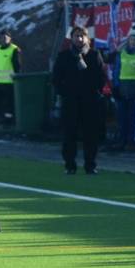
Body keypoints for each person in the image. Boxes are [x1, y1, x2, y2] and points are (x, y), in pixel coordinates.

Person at [52, 26, 107, 174]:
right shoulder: (64, 56)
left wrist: (96, 91)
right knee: (69, 134)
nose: (80, 39)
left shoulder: (94, 55)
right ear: (72, 38)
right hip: (70, 101)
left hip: (90, 101)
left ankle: (91, 165)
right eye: (77, 36)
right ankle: (70, 165)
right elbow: (56, 78)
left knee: (91, 135)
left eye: (82, 36)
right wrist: (64, 92)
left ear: (87, 38)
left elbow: (101, 77)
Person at [110, 29, 135, 151]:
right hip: (122, 87)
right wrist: (115, 87)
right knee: (122, 116)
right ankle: (122, 140)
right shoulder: (121, 54)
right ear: (128, 40)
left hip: (134, 88)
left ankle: (131, 141)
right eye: (131, 39)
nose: (132, 42)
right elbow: (116, 71)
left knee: (133, 117)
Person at [0, 29, 21, 128]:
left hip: (9, 81)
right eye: (2, 37)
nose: (4, 39)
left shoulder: (14, 49)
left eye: (6, 37)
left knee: (8, 104)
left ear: (10, 38)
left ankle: (8, 123)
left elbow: (17, 65)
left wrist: (16, 77)